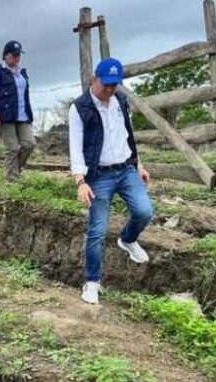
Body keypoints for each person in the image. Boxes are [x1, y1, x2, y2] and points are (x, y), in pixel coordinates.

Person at [68, 58, 154, 305]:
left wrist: (138, 165)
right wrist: (80, 181)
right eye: (105, 84)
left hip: (126, 169)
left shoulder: (120, 101)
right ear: (94, 79)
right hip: (99, 175)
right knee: (97, 230)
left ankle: (127, 239)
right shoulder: (80, 108)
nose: (109, 89)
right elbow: (75, 147)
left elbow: (127, 136)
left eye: (114, 85)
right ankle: (92, 282)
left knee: (144, 211)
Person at [0, 40, 35, 181]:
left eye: (18, 55)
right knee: (12, 148)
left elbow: (25, 95)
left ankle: (13, 169)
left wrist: (30, 115)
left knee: (29, 144)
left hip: (22, 115)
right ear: (5, 55)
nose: (17, 58)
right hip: (5, 116)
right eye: (14, 55)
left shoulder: (22, 73)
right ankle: (11, 182)